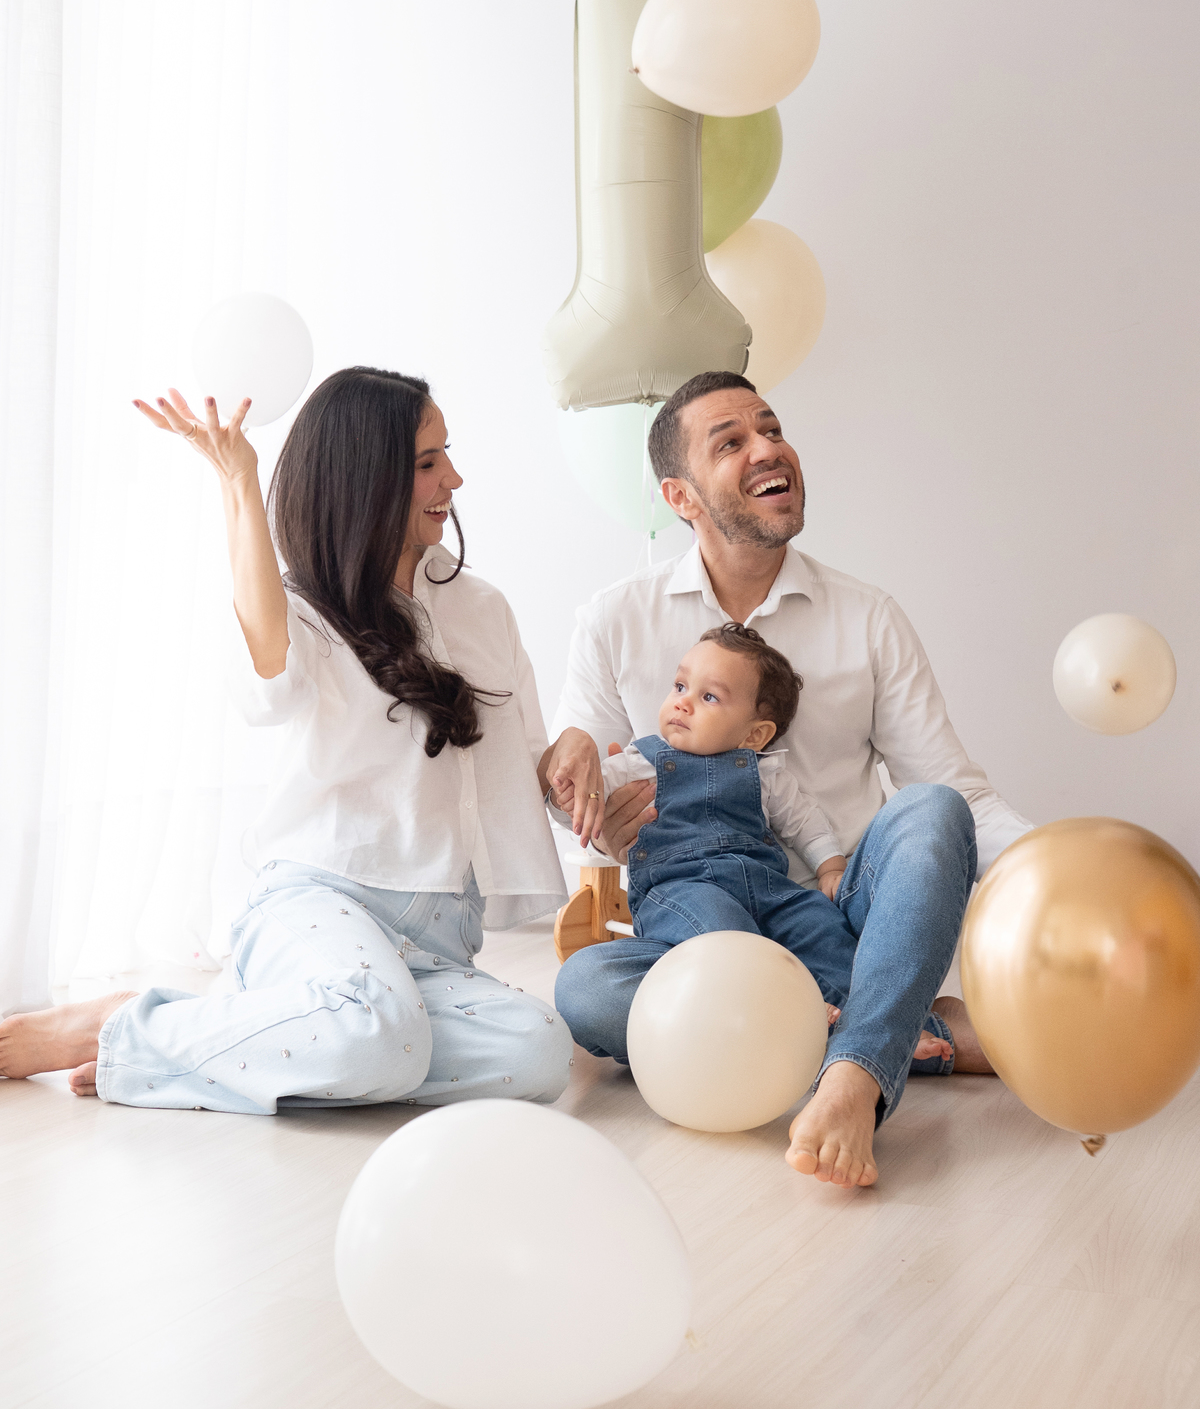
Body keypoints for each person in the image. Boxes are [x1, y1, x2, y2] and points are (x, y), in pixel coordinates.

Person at [0, 367, 604, 1113]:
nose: (453, 478)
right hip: (321, 901)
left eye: (447, 454)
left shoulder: (483, 606)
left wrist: (571, 753)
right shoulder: (304, 610)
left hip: (442, 933)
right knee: (378, 1031)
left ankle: (212, 1040)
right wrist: (239, 483)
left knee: (536, 1053)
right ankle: (126, 1028)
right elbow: (269, 685)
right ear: (368, 477)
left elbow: (523, 761)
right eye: (427, 462)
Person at [551, 371, 1033, 1190]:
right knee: (587, 988)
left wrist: (1050, 867)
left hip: (836, 914)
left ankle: (848, 1077)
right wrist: (590, 809)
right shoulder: (613, 619)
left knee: (934, 809)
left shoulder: (868, 615)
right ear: (680, 496)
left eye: (771, 429)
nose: (768, 448)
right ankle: (898, 1031)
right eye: (731, 441)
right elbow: (582, 795)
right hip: (696, 925)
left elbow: (963, 799)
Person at [561, 622, 857, 1020]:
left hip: (768, 890)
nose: (683, 703)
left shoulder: (764, 773)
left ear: (755, 736)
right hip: (681, 889)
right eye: (680, 686)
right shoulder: (638, 762)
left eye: (709, 697)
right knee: (720, 930)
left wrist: (830, 866)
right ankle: (790, 1009)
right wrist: (573, 790)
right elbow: (593, 791)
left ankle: (875, 1023)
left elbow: (804, 821)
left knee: (823, 927)